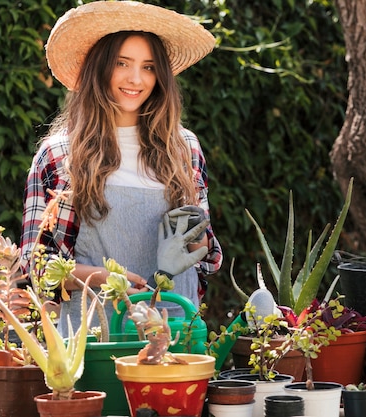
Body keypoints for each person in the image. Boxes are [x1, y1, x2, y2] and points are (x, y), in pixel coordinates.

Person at [20, 1, 223, 334]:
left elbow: (207, 255)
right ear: (99, 68)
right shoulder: (60, 154)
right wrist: (105, 278)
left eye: (148, 67)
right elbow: (38, 267)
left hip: (177, 333)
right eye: (122, 63)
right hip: (98, 339)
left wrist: (187, 245)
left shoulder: (183, 148)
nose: (135, 79)